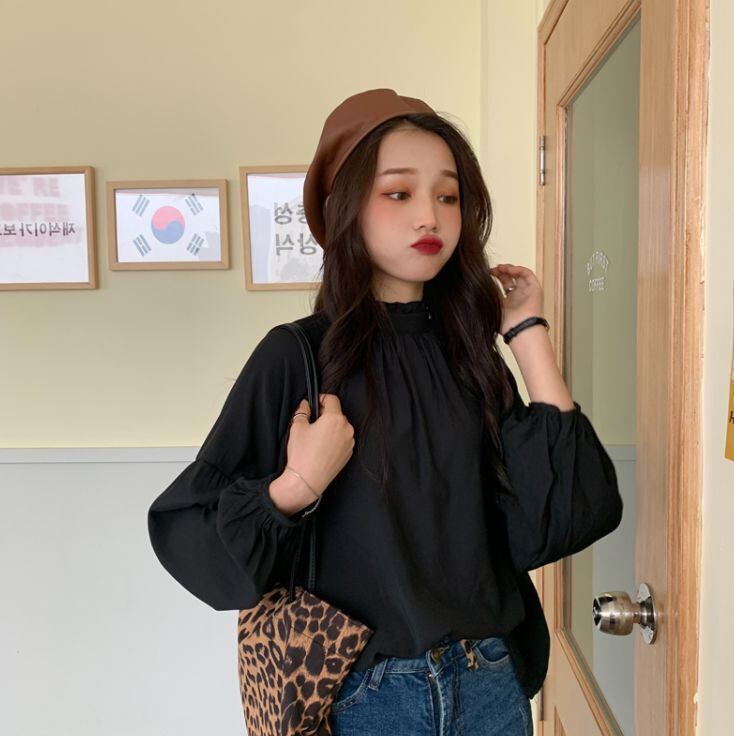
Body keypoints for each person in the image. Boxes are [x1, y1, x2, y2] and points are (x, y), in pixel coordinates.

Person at [147, 88, 623, 736]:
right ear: (345, 208)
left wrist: (525, 330)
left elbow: (564, 516)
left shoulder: (468, 355)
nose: (429, 215)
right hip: (366, 701)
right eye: (398, 193)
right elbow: (193, 537)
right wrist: (297, 485)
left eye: (448, 196)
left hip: (488, 684)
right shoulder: (297, 356)